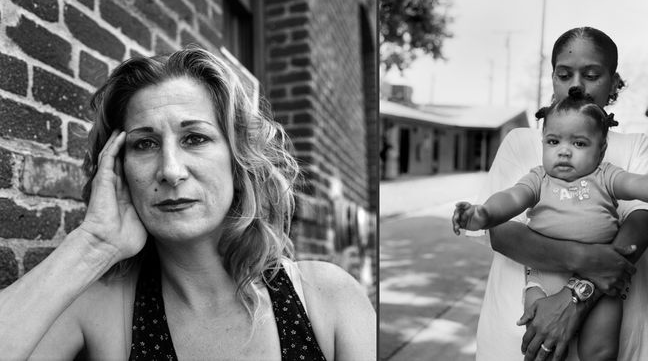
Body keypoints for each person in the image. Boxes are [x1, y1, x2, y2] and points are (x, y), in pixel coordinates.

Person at [0, 48, 376, 359]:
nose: (170, 170)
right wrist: (93, 245)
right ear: (118, 168)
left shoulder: (327, 298)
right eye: (144, 144)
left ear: (237, 158)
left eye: (194, 138)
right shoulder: (102, 310)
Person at [465, 26, 648, 361]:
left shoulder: (638, 147)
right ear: (552, 78)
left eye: (591, 74)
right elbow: (503, 234)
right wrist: (588, 260)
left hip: (620, 340)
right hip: (519, 338)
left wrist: (573, 299)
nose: (576, 84)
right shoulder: (522, 143)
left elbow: (641, 227)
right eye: (564, 74)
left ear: (614, 81)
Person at [453, 89, 648, 360]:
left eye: (579, 144)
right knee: (540, 346)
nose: (564, 151)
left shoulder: (606, 176)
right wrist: (484, 213)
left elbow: (639, 184)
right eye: (553, 141)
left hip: (599, 283)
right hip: (543, 276)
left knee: (601, 350)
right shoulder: (539, 179)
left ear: (601, 149)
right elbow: (511, 198)